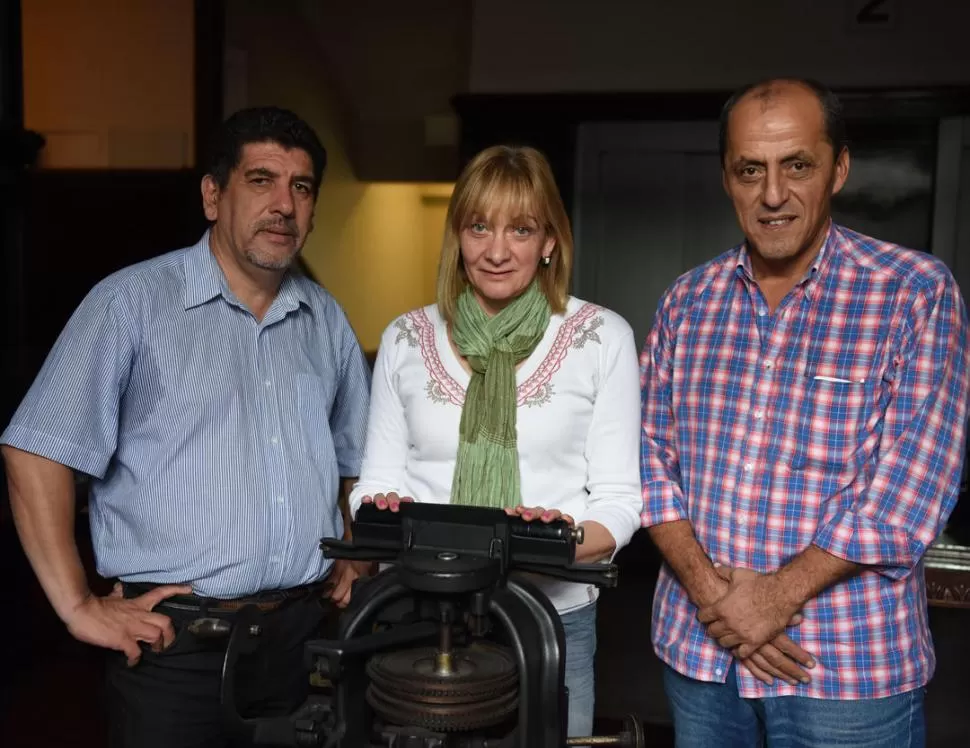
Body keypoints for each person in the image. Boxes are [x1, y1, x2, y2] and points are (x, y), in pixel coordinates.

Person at [1, 106, 372, 747]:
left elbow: (355, 458)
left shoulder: (326, 319)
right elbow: (36, 449)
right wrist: (76, 605)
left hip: (303, 646)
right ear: (213, 195)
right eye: (261, 180)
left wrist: (356, 546)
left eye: (302, 187)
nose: (284, 204)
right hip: (176, 652)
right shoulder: (131, 303)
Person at [640, 77, 970, 747]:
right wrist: (717, 599)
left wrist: (775, 597)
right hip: (701, 656)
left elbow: (909, 492)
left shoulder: (914, 294)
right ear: (726, 178)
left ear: (839, 168)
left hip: (844, 671)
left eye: (797, 166)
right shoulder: (686, 301)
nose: (771, 194)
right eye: (749, 170)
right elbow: (648, 464)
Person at [347, 145, 642, 738]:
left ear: (550, 241)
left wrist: (555, 539)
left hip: (551, 618)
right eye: (479, 226)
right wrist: (380, 514)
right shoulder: (406, 338)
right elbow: (372, 488)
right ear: (458, 235)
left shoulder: (602, 337)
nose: (497, 250)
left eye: (521, 229)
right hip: (417, 616)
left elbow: (620, 500)